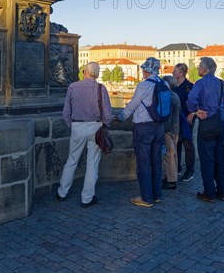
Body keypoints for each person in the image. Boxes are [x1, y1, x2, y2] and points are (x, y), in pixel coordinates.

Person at [57, 62, 112, 207]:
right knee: (92, 164)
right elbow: (107, 114)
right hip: (96, 126)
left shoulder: (73, 87)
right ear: (97, 74)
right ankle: (87, 198)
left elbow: (66, 112)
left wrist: (72, 125)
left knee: (72, 160)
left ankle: (62, 192)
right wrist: (104, 125)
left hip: (77, 126)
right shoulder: (101, 88)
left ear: (84, 72)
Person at [186, 57, 224, 203]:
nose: (197, 69)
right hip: (220, 124)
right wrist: (222, 108)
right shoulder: (221, 83)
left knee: (207, 159)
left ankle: (209, 193)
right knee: (221, 159)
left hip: (207, 124)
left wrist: (195, 110)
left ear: (204, 69)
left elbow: (191, 100)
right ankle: (222, 192)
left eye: (199, 67)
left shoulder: (200, 84)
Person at [117, 57, 165, 208]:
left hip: (144, 128)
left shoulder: (144, 86)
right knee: (156, 162)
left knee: (143, 163)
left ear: (147, 70)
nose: (142, 72)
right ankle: (157, 195)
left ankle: (146, 198)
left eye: (144, 69)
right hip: (159, 127)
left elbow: (133, 105)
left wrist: (121, 117)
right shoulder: (164, 83)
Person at [173, 63, 195, 182]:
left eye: (175, 71)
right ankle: (177, 168)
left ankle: (190, 171)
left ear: (181, 73)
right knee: (176, 145)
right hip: (176, 120)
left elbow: (197, 101)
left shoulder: (189, 86)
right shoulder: (173, 86)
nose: (173, 73)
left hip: (187, 120)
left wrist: (192, 113)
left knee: (188, 145)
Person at [162, 76, 181, 190]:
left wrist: (165, 130)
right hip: (176, 129)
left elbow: (167, 117)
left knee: (169, 155)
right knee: (173, 155)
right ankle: (172, 176)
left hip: (169, 131)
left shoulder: (168, 97)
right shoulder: (176, 96)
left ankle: (171, 181)